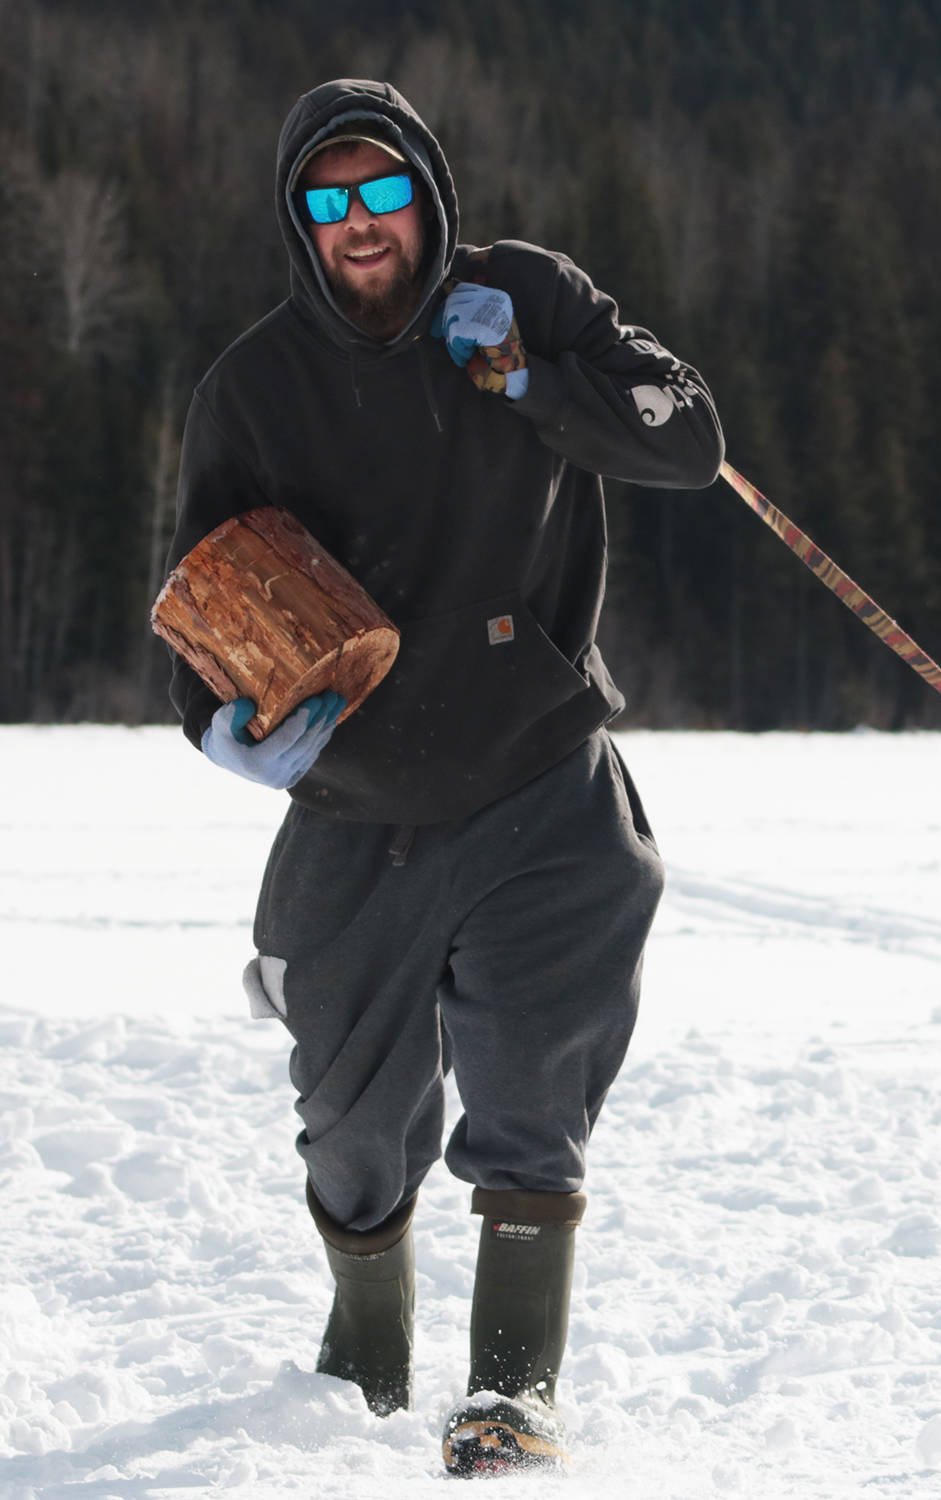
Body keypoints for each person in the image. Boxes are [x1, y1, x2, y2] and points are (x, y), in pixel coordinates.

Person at [160, 79, 723, 1474]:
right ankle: (362, 1361)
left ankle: (512, 1395)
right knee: (350, 1119)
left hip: (538, 771)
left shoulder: (527, 296)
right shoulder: (254, 385)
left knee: (533, 1084)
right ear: (302, 221)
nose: (361, 223)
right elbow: (198, 594)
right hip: (354, 799)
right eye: (329, 201)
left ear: (426, 191)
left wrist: (541, 378)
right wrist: (218, 725)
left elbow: (687, 434)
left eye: (382, 191)